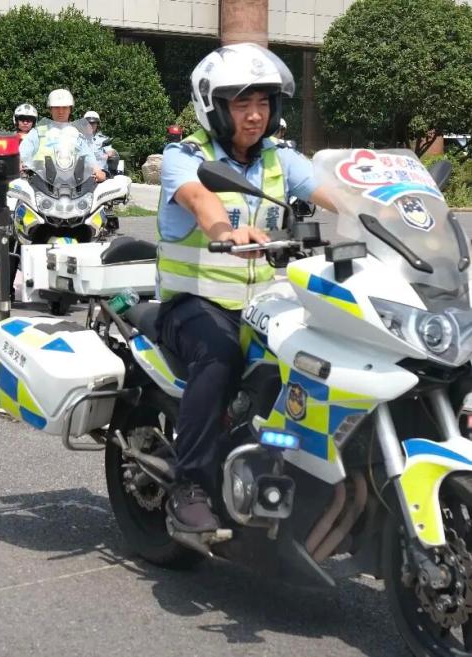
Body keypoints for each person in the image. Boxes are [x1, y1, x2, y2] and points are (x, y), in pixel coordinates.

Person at [156, 43, 335, 532]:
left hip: (267, 305)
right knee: (220, 359)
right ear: (214, 108)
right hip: (194, 304)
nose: (255, 116)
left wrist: (388, 210)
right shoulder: (185, 156)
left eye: (263, 103)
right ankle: (189, 485)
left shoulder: (280, 159)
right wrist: (227, 233)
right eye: (241, 104)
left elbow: (330, 190)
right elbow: (200, 199)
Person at [0, 102, 38, 265]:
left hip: (32, 181)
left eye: (29, 119)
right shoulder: (8, 139)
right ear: (16, 120)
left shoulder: (39, 141)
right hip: (9, 180)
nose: (25, 122)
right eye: (22, 118)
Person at [20, 89, 105, 183]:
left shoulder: (77, 134)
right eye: (56, 107)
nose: (60, 111)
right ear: (50, 109)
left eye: (64, 107)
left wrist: (98, 171)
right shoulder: (38, 133)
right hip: (41, 182)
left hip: (74, 183)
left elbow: (88, 157)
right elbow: (22, 154)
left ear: (70, 109)